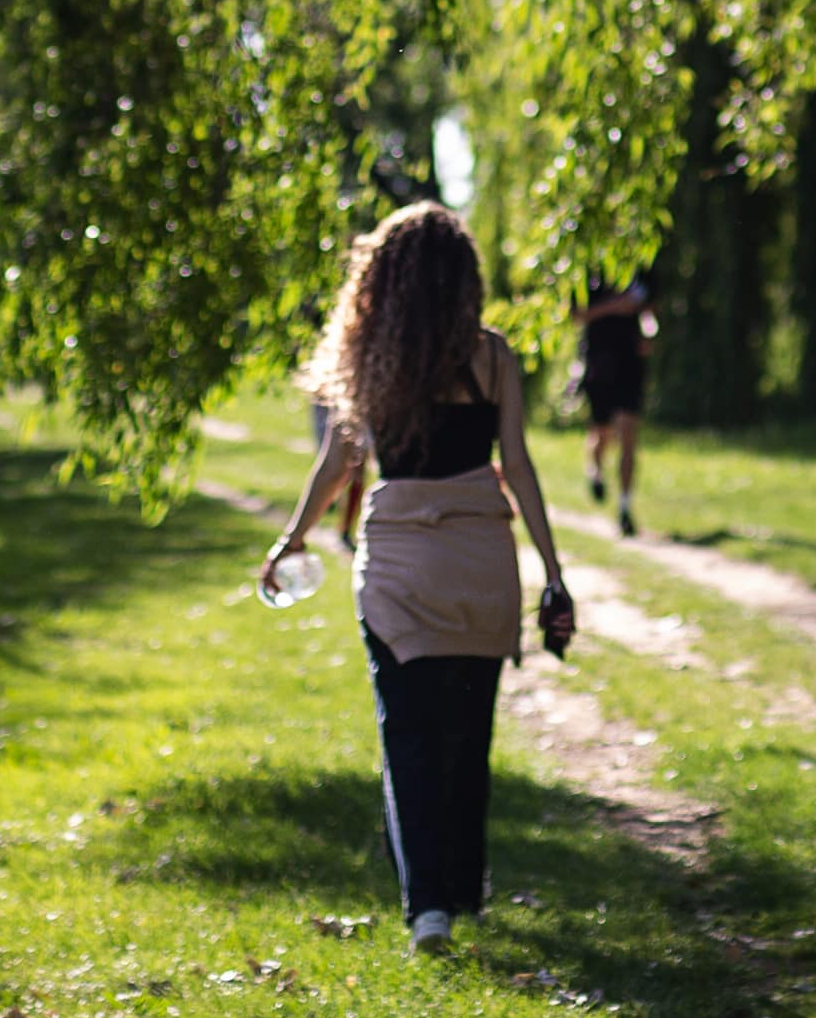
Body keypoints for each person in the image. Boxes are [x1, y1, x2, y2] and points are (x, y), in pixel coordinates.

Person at [256, 203, 577, 951]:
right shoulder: (493, 357)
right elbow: (518, 468)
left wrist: (290, 540)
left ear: (384, 279)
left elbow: (338, 466)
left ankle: (428, 909)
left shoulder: (371, 360)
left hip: (400, 572)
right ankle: (464, 892)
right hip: (481, 570)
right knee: (469, 737)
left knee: (410, 737)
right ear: (464, 278)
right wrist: (554, 572)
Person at [574, 266, 660, 535]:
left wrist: (650, 332)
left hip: (631, 364)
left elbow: (650, 310)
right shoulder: (589, 269)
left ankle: (625, 507)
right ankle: (596, 469)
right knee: (603, 434)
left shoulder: (641, 265)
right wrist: (614, 306)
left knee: (628, 436)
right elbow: (577, 315)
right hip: (599, 363)